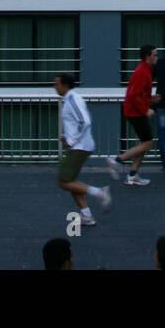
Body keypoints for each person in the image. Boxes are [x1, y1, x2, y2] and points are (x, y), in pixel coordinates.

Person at [53, 73, 113, 226]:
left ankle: (100, 193)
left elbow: (84, 122)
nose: (55, 86)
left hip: (79, 147)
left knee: (64, 181)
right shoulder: (70, 99)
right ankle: (86, 215)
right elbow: (78, 123)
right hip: (78, 146)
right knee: (71, 181)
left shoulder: (72, 99)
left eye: (57, 84)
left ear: (65, 85)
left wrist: (72, 140)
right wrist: (67, 136)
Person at [107, 45, 158, 185]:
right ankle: (116, 160)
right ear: (148, 57)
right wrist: (145, 110)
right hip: (135, 112)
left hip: (134, 111)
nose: (156, 57)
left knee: (144, 144)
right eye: (155, 55)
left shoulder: (145, 70)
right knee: (148, 143)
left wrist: (150, 98)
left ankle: (132, 176)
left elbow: (138, 93)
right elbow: (133, 95)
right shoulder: (143, 72)